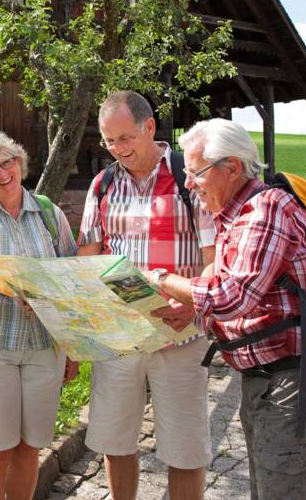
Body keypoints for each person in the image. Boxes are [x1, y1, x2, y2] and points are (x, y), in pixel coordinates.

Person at [151, 118, 306, 500]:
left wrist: (159, 280)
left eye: (195, 173)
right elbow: (249, 297)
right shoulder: (236, 215)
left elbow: (230, 296)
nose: (188, 184)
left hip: (296, 382)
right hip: (273, 381)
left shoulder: (265, 211)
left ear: (230, 167)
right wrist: (195, 312)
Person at [77, 91, 216, 500]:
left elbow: (215, 258)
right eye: (109, 141)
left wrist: (191, 304)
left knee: (185, 450)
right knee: (115, 442)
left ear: (149, 128)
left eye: (125, 138)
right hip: (119, 335)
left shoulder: (189, 179)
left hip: (180, 333)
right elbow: (87, 256)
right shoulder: (102, 185)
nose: (117, 149)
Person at [0, 129, 79, 500]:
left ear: (19, 163)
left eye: (7, 162)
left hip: (45, 346)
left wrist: (72, 347)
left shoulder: (49, 213)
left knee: (30, 448)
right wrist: (26, 286)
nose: (3, 173)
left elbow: (71, 277)